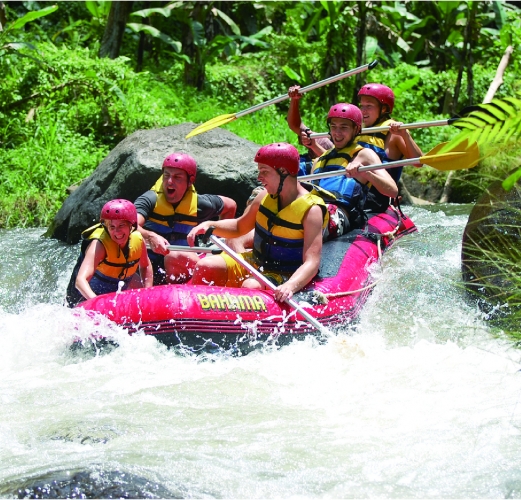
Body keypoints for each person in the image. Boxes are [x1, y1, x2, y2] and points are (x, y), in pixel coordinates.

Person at [186, 143, 328, 303]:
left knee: (250, 287)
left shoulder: (312, 211)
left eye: (264, 172)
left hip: (286, 272)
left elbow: (312, 262)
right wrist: (210, 225)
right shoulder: (263, 197)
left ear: (283, 171)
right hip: (256, 261)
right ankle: (196, 317)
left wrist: (291, 285)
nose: (259, 178)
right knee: (206, 266)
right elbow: (239, 227)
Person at [134, 152, 237, 284]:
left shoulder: (200, 204)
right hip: (149, 265)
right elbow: (130, 225)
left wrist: (220, 240)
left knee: (175, 255)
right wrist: (149, 236)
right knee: (172, 255)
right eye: (166, 176)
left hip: (179, 265)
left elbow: (230, 206)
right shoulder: (150, 199)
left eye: (177, 177)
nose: (170, 181)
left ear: (190, 181)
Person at [310, 103, 398, 232]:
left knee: (313, 214)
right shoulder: (319, 160)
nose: (337, 132)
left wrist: (367, 173)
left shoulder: (365, 155)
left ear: (356, 130)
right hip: (315, 211)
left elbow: (393, 191)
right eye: (333, 127)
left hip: (341, 217)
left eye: (343, 127)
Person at [65, 199, 153, 307]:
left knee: (134, 279)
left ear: (131, 225)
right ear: (106, 227)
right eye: (112, 227)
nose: (117, 231)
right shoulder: (99, 245)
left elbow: (145, 266)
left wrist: (147, 293)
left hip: (117, 283)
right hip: (85, 295)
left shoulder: (138, 240)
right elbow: (80, 281)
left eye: (121, 225)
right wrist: (98, 304)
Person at [357, 83, 423, 212]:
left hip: (376, 202)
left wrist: (405, 134)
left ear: (383, 109)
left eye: (369, 106)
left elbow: (418, 162)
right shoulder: (360, 133)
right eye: (362, 106)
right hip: (356, 197)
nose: (363, 111)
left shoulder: (394, 134)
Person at [287, 85, 334, 175]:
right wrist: (294, 99)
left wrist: (314, 146)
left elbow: (336, 163)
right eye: (334, 125)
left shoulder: (360, 149)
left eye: (343, 127)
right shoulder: (324, 140)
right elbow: (295, 125)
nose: (338, 131)